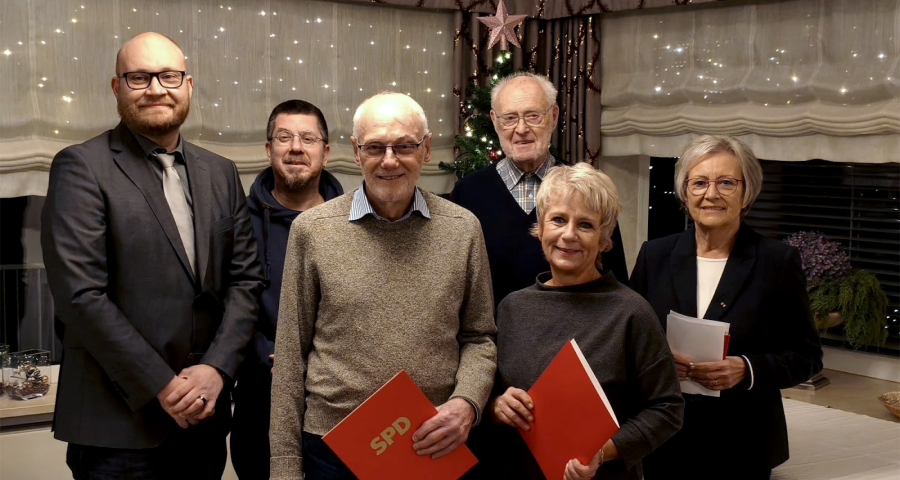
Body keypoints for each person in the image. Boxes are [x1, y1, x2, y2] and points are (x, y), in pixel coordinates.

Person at [41, 32, 263, 479]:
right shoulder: (81, 167)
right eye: (139, 77)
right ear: (117, 86)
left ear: (189, 84)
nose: (157, 88)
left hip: (203, 423)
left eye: (169, 76)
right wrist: (163, 385)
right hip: (117, 430)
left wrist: (217, 370)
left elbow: (246, 282)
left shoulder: (221, 172)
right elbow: (81, 297)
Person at [269, 92, 497, 480]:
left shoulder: (462, 229)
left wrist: (467, 403)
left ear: (425, 149)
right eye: (375, 147)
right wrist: (285, 467)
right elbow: (290, 357)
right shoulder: (313, 230)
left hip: (431, 444)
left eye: (404, 146)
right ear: (357, 153)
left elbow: (479, 337)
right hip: (332, 448)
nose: (389, 160)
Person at [630, 135, 823, 479]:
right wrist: (657, 364)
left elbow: (806, 356)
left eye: (726, 183)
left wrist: (746, 369)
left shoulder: (776, 262)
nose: (711, 194)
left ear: (746, 191)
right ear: (684, 191)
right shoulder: (654, 255)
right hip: (665, 435)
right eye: (699, 182)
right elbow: (630, 341)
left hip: (744, 441)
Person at [487, 163, 683, 480]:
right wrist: (496, 408)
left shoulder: (631, 312)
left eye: (586, 225)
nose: (569, 235)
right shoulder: (511, 307)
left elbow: (667, 409)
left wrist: (603, 451)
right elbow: (487, 393)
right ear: (540, 227)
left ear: (604, 239)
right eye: (559, 220)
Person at [230, 99, 344, 480]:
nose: (296, 147)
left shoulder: (354, 222)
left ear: (326, 152)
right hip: (258, 405)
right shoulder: (237, 224)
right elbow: (225, 303)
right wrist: (270, 357)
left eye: (308, 138)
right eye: (284, 137)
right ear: (268, 150)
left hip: (338, 406)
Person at [450, 72, 627, 307]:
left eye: (533, 116)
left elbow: (616, 283)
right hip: (492, 340)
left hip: (574, 337)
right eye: (509, 118)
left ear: (553, 117)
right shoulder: (467, 194)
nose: (521, 129)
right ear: (494, 121)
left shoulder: (587, 190)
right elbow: (455, 285)